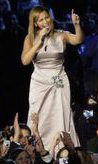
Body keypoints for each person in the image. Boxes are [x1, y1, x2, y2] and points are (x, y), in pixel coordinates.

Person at [21, 6, 83, 150]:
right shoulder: (30, 38)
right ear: (36, 24)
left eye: (46, 17)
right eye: (41, 20)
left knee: (60, 114)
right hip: (39, 81)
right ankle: (38, 149)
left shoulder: (60, 35)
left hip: (58, 79)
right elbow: (25, 61)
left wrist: (76, 24)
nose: (45, 21)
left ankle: (63, 149)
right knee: (39, 115)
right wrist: (38, 41)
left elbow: (78, 40)